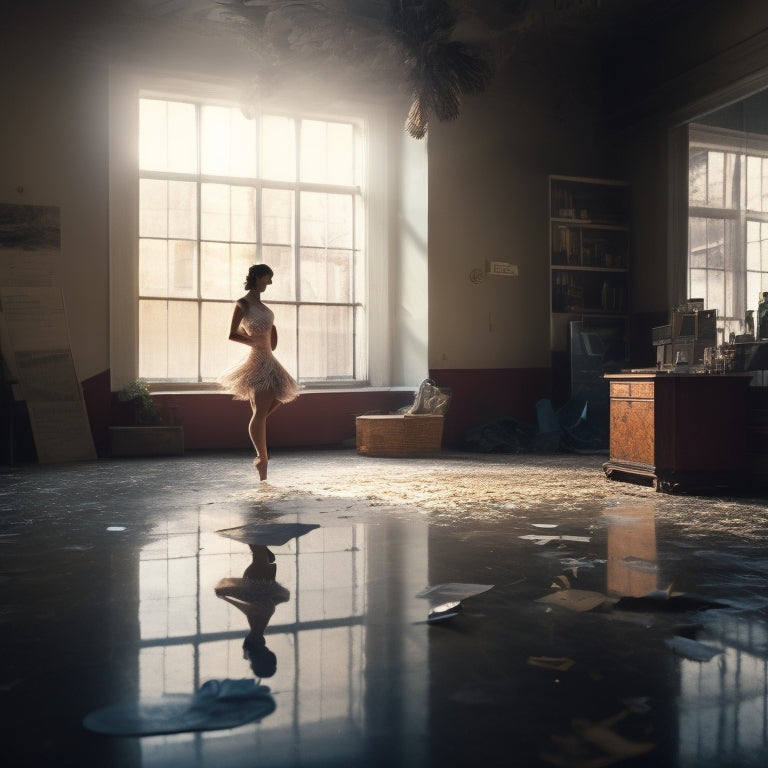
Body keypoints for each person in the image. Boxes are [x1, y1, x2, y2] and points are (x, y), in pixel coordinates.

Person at [220, 264, 299, 480]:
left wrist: (271, 337)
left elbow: (270, 340)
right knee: (260, 411)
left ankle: (261, 459)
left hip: (269, 358)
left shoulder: (263, 307)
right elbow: (232, 334)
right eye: (268, 278)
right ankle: (261, 459)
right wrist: (252, 340)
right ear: (258, 277)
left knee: (276, 401)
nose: (270, 283)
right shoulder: (242, 304)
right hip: (257, 361)